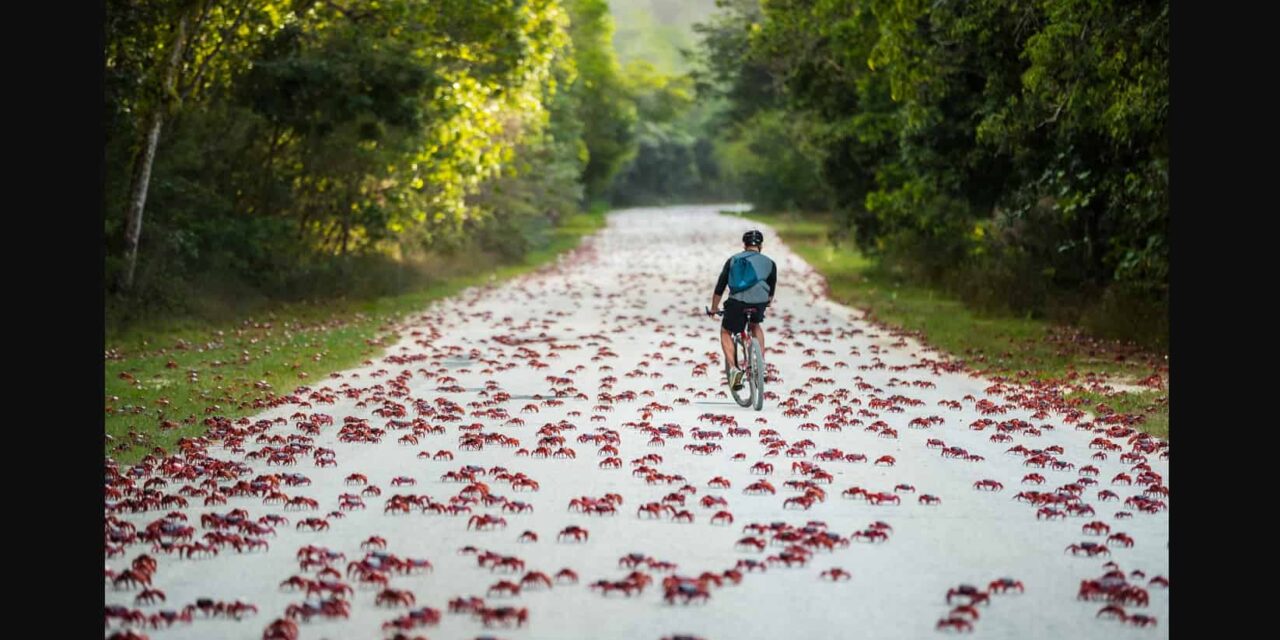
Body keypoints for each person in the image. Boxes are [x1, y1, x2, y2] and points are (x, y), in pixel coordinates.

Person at [708, 229, 777, 390]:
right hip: (759, 303)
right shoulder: (770, 263)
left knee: (726, 331)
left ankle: (733, 370)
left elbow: (720, 287)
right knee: (755, 325)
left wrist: (713, 308)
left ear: (744, 245)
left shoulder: (733, 260)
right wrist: (765, 303)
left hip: (737, 303)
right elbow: (771, 291)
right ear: (760, 245)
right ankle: (762, 364)